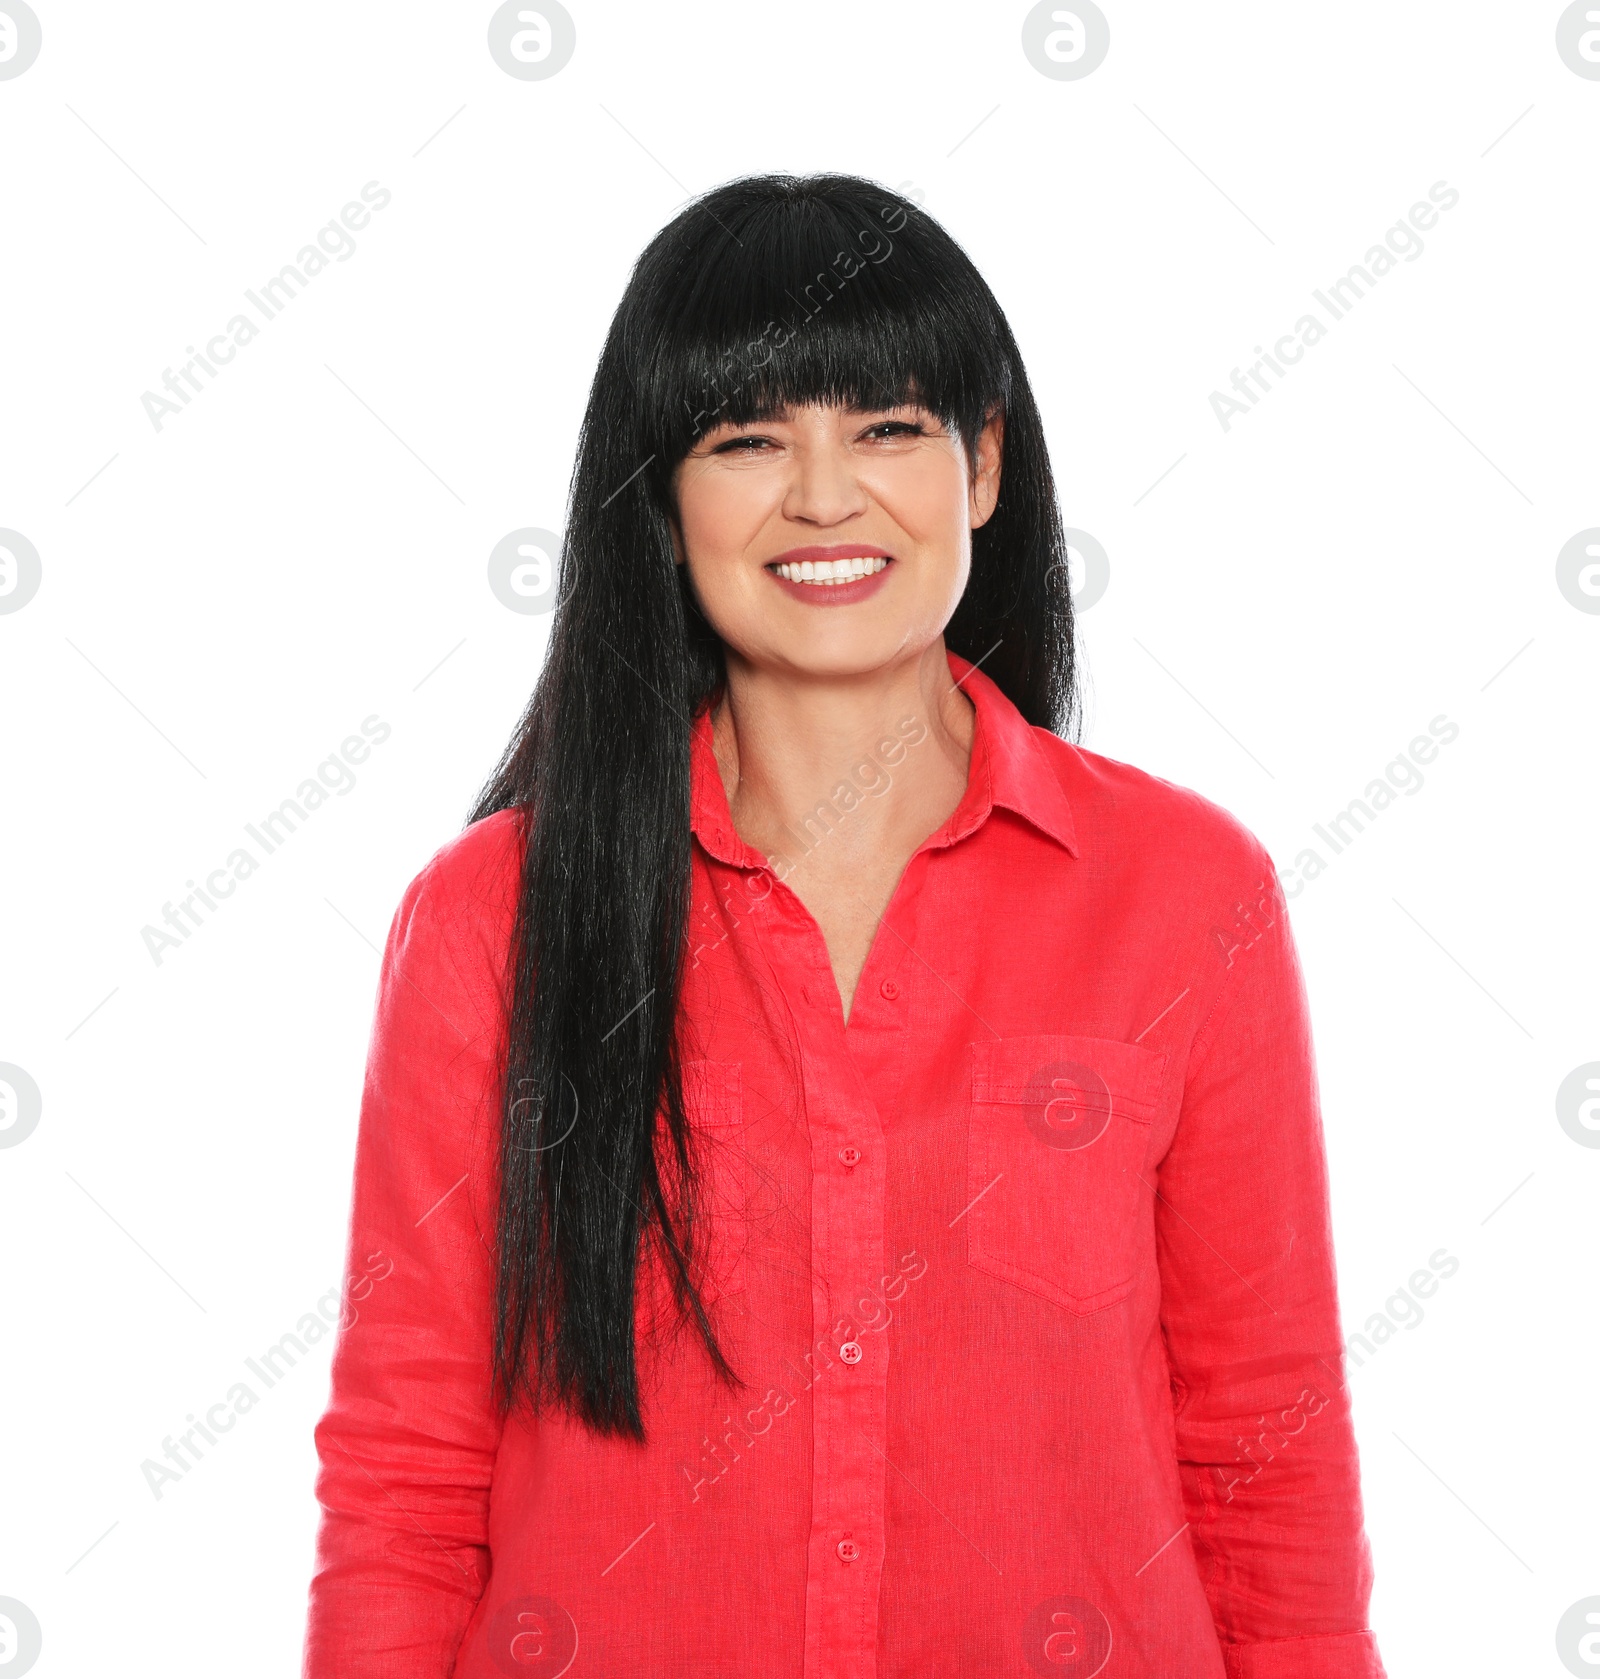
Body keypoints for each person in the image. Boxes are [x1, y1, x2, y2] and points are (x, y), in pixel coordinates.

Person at [303, 174, 1385, 1678]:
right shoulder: (490, 918)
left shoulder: (1186, 894)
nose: (824, 496)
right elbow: (407, 1473)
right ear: (660, 500)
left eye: (886, 428)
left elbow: (1265, 1455)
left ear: (984, 465)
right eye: (749, 440)